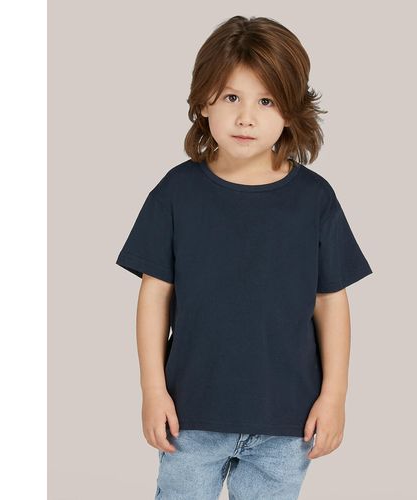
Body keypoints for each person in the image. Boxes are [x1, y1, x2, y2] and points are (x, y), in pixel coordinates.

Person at [116, 15, 373, 500]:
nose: (246, 117)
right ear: (204, 101)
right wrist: (153, 389)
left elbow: (330, 302)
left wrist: (334, 395)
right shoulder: (176, 193)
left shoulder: (315, 200)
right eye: (231, 97)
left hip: (288, 421)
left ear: (291, 110)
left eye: (266, 101)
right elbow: (154, 296)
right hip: (190, 415)